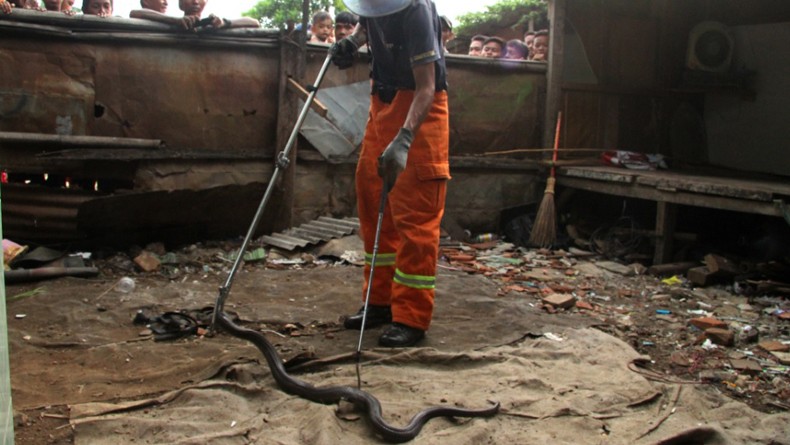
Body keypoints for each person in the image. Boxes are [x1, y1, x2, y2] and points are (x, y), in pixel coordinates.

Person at [330, 0, 449, 347]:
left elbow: (427, 86)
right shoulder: (372, 5)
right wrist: (352, 41)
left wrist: (406, 137)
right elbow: (369, 24)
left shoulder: (416, 11)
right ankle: (379, 302)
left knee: (416, 216)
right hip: (381, 103)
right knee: (371, 201)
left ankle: (411, 317)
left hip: (420, 110)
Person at [130, 0, 259, 31]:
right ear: (181, 4)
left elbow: (254, 23)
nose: (196, 1)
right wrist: (175, 21)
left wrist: (225, 23)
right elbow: (135, 13)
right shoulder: (171, 22)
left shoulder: (214, 22)